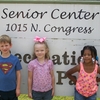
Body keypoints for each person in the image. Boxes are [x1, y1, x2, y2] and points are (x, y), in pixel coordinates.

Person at [28, 36, 55, 100]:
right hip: (36, 91)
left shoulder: (49, 63)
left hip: (48, 90)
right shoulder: (32, 64)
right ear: (34, 51)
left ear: (46, 51)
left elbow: (52, 76)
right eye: (37, 51)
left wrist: (53, 89)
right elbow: (29, 78)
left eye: (42, 50)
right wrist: (29, 91)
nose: (39, 52)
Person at [0, 35, 22, 100]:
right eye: (2, 46)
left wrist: (18, 88)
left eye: (6, 45)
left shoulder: (15, 59)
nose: (4, 48)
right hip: (1, 90)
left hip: (12, 89)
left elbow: (18, 74)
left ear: (10, 45)